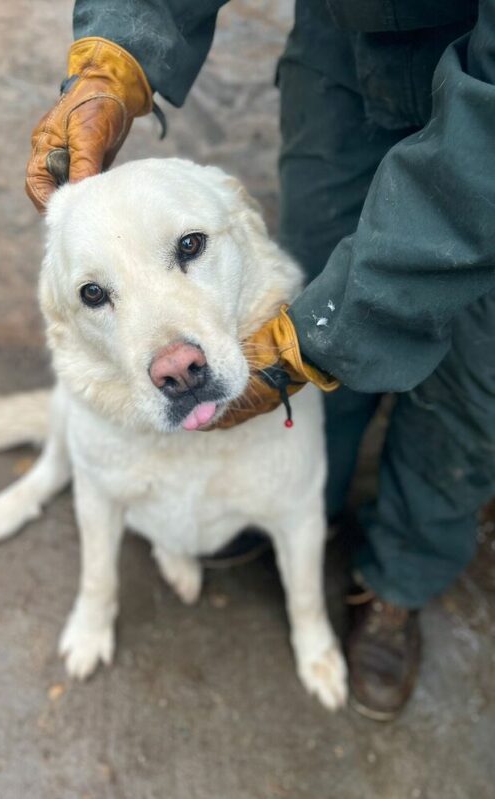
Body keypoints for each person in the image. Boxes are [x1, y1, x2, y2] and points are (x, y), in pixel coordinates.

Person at [25, 0, 495, 720]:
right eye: (95, 293)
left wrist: (321, 336)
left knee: (472, 377)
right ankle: (306, 506)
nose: (170, 358)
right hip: (346, 39)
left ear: (240, 225)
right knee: (325, 268)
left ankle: (396, 581)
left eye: (189, 249)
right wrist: (116, 47)